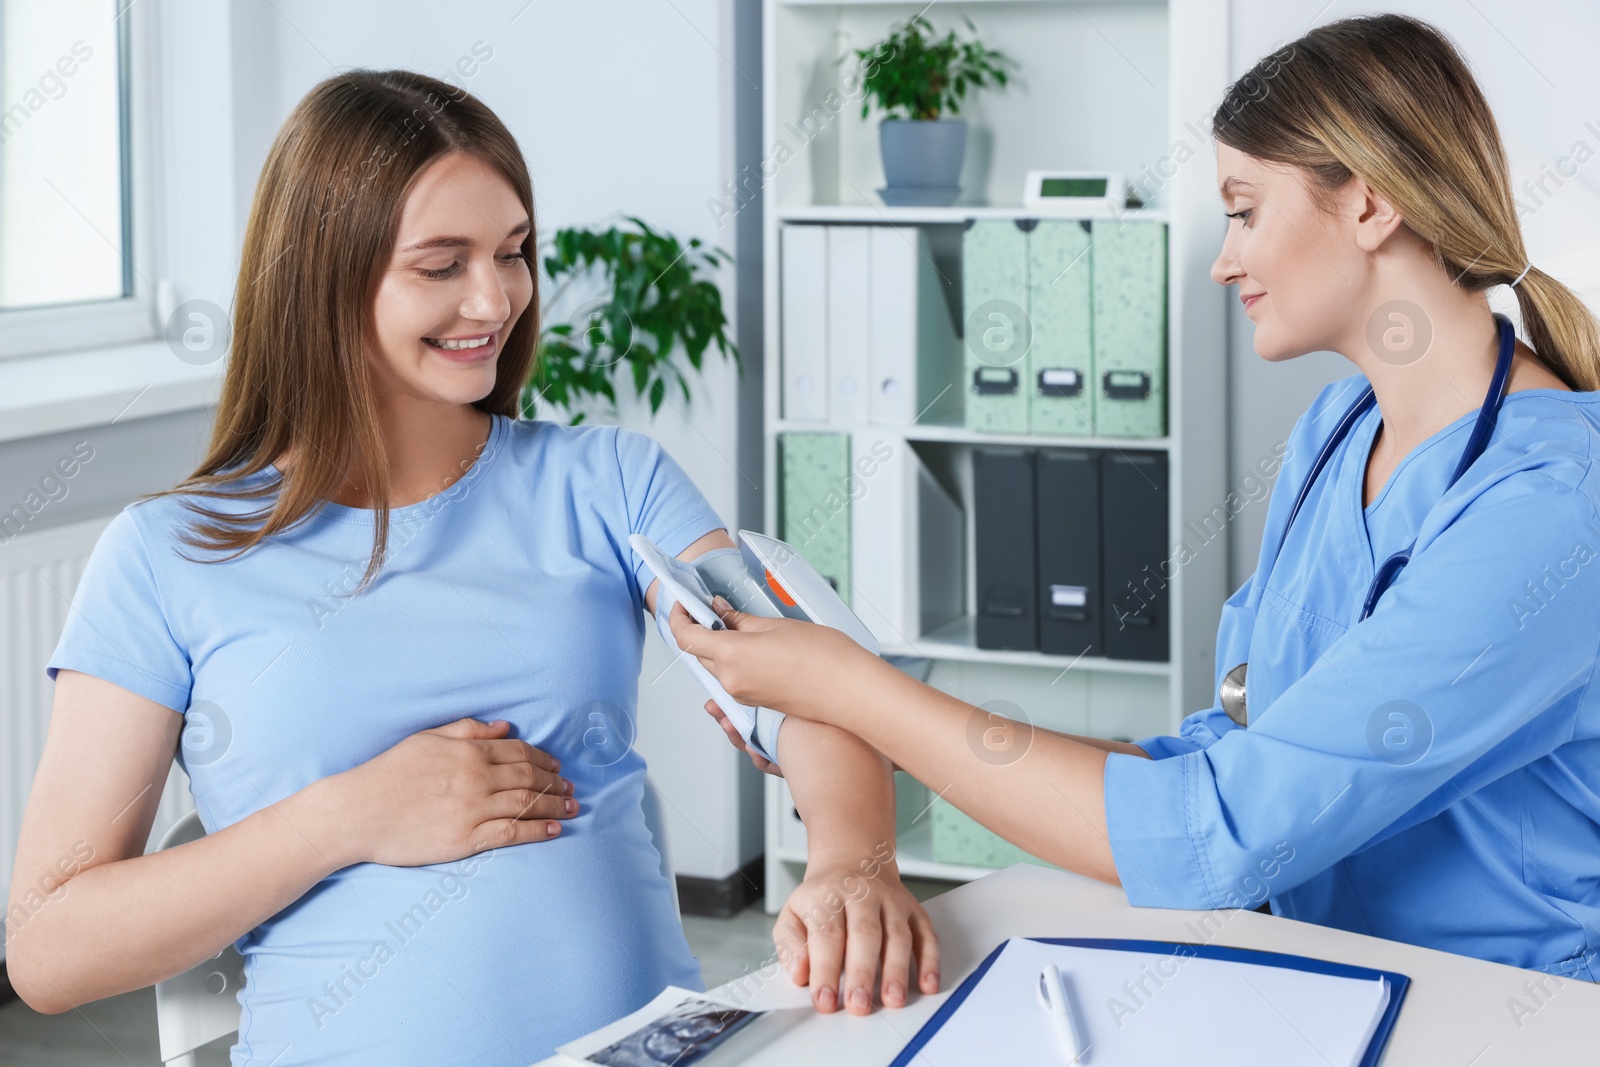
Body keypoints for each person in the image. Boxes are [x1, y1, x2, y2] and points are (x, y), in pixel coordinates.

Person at [4, 70, 937, 1066]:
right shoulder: (165, 555)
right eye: (441, 264)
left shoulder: (607, 480)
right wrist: (346, 814)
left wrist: (849, 857)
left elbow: (805, 688)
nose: (495, 299)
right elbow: (51, 948)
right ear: (322, 276)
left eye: (512, 252)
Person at [678, 14, 1600, 981]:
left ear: (1369, 205)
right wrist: (895, 731)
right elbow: (1229, 749)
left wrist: (854, 688)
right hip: (1312, 969)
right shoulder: (1338, 432)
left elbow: (1222, 830)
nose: (1222, 259)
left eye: (1245, 210)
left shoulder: (1551, 507)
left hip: (1493, 1012)